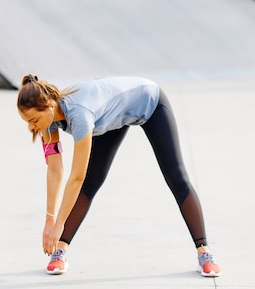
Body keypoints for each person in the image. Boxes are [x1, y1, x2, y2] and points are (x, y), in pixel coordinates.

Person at [16, 74, 221, 277]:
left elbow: (76, 177)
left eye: (33, 120)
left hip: (149, 101)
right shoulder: (47, 122)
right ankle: (60, 251)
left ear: (50, 107)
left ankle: (204, 252)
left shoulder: (80, 115)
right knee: (92, 181)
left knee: (176, 176)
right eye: (28, 122)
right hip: (111, 116)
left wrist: (59, 224)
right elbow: (54, 170)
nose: (32, 127)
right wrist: (50, 220)